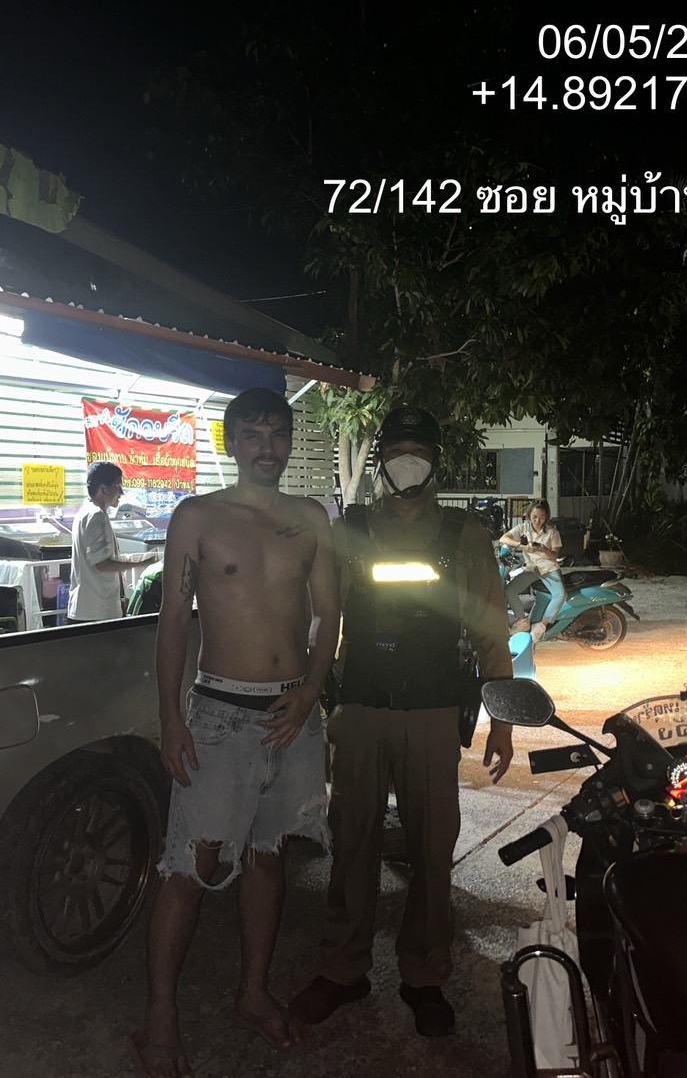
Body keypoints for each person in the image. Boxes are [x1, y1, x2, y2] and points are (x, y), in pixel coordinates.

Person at [130, 388, 339, 1078]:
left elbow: (329, 612)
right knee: (191, 866)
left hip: (292, 715)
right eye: (252, 434)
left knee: (268, 856)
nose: (266, 448)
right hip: (220, 714)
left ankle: (252, 993)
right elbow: (172, 620)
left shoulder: (311, 519)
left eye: (277, 434)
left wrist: (311, 690)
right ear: (231, 443)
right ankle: (159, 1016)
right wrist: (170, 717)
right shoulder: (197, 517)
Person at [288, 405, 515, 1039]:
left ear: (437, 461)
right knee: (351, 843)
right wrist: (313, 693)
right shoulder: (350, 529)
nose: (406, 462)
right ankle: (343, 969)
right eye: (396, 451)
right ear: (380, 460)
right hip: (360, 709)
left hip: (433, 713)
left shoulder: (465, 535)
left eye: (419, 451)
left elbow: (490, 627)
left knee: (432, 849)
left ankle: (424, 974)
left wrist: (502, 716)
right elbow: (324, 619)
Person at [68, 461, 162, 623]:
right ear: (103, 489)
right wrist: (142, 562)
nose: (121, 492)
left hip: (89, 608)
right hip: (97, 611)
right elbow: (102, 564)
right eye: (118, 486)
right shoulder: (97, 516)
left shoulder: (86, 512)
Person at [497, 499, 563, 630]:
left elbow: (554, 556)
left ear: (546, 517)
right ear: (529, 515)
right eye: (534, 517)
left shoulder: (552, 532)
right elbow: (503, 539)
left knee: (560, 595)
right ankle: (522, 621)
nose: (538, 521)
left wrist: (543, 549)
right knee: (509, 590)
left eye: (542, 517)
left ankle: (542, 625)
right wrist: (522, 546)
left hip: (548, 569)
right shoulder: (523, 528)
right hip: (532, 569)